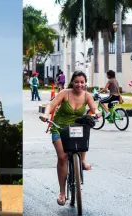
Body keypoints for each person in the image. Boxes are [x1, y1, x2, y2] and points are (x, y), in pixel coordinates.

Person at [39, 71, 101, 205]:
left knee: (85, 129)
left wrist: (97, 113)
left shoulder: (87, 95)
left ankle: (82, 160)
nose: (79, 84)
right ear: (72, 81)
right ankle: (62, 192)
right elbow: (51, 105)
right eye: (77, 81)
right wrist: (46, 115)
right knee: (62, 157)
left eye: (82, 82)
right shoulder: (64, 93)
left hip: (76, 128)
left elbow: (94, 109)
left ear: (85, 83)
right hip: (60, 128)